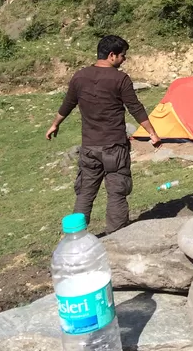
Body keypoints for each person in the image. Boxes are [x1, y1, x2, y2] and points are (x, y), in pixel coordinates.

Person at [46, 35, 162, 233]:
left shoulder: (80, 76)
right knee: (117, 193)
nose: (124, 59)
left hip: (89, 147)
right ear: (111, 55)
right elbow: (135, 108)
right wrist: (152, 133)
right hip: (114, 147)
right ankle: (116, 237)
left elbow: (68, 104)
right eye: (123, 56)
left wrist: (54, 124)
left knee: (85, 193)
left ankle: (76, 236)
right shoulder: (120, 79)